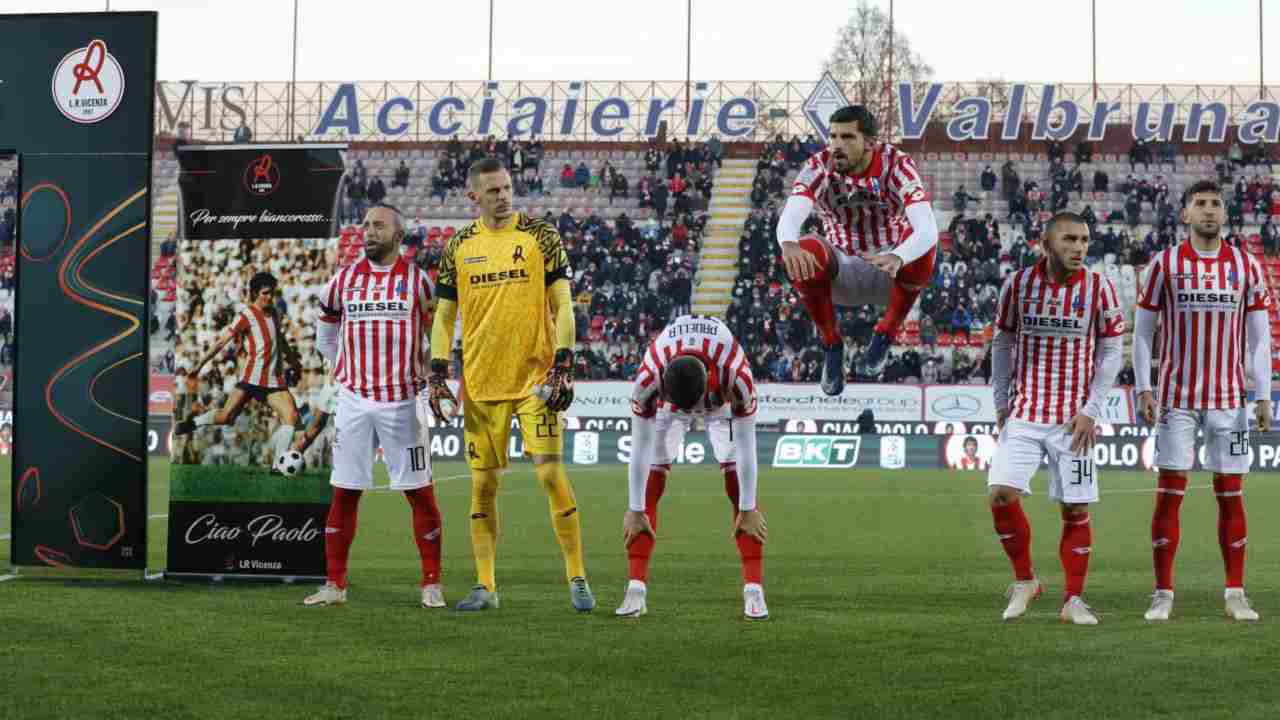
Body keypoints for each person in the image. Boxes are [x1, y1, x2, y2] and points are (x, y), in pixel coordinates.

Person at [427, 156, 595, 613]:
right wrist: (438, 368)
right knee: (482, 487)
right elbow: (443, 315)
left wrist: (564, 360)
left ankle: (577, 577)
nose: (502, 196)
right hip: (481, 385)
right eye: (493, 190)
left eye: (506, 187)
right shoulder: (459, 245)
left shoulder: (541, 236)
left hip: (536, 381)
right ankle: (486, 586)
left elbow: (563, 304)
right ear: (473, 197)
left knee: (550, 474)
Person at [1132, 180, 1271, 623]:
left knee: (1231, 497)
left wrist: (1263, 395)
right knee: (1169, 497)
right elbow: (1142, 333)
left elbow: (1260, 339)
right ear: (1185, 214)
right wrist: (1143, 387)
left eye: (1215, 204)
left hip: (1229, 403)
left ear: (1225, 214)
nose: (1209, 211)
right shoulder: (1165, 264)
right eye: (1200, 204)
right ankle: (1163, 593)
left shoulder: (1246, 265)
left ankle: (1235, 593)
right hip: (1175, 400)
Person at [302, 204, 444, 609]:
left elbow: (438, 335)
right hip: (354, 402)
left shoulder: (418, 283)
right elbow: (326, 337)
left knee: (420, 494)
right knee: (344, 493)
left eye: (378, 226)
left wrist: (431, 379)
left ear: (399, 236)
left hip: (403, 402)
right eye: (365, 225)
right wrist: (345, 372)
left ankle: (431, 583)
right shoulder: (342, 281)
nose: (368, 231)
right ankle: (335, 585)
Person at [988, 211, 1125, 625]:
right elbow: (1003, 344)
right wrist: (1000, 403)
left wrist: (1091, 411)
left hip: (1074, 420)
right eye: (1069, 239)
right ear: (1046, 245)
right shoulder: (1018, 285)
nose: (1079, 248)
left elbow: (1111, 353)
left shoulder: (1100, 288)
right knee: (1000, 494)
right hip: (1026, 413)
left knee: (1075, 508)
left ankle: (1073, 600)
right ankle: (1026, 580)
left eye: (1084, 240)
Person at [776, 105, 939, 394]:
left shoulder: (897, 165)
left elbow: (927, 228)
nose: (837, 145)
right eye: (833, 136)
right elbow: (791, 214)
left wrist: (898, 255)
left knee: (922, 241)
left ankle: (885, 334)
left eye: (848, 137)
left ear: (870, 144)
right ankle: (831, 345)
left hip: (890, 267)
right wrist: (787, 243)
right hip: (840, 269)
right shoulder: (818, 165)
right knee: (802, 247)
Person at [617, 315, 767, 620]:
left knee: (737, 484)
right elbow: (641, 445)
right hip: (671, 402)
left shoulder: (735, 376)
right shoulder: (649, 378)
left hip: (719, 402)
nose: (692, 416)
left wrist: (749, 507)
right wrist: (635, 508)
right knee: (649, 486)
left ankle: (754, 590)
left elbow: (747, 443)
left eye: (693, 406)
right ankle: (635, 589)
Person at [173, 271, 301, 472]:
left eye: (272, 293)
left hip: (274, 381)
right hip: (252, 378)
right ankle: (193, 423)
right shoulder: (246, 315)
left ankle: (278, 466)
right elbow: (221, 342)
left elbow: (281, 340)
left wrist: (294, 362)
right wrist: (199, 365)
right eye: (265, 293)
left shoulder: (275, 313)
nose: (269, 297)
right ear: (254, 293)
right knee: (226, 417)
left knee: (291, 417)